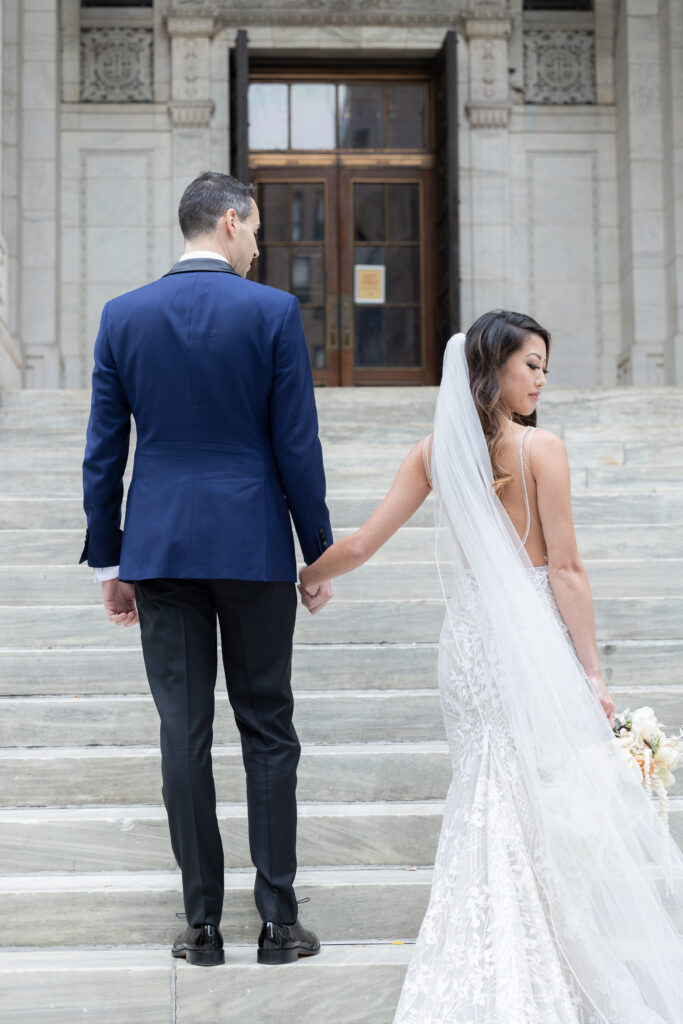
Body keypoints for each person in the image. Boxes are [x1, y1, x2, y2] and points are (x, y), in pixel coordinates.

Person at [299, 311, 683, 1022]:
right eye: (529, 363)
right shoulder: (543, 450)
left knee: (486, 789)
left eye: (543, 365)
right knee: (514, 796)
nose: (539, 377)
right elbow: (564, 569)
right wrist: (592, 676)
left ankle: (502, 944)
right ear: (493, 368)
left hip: (470, 641)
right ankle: (531, 952)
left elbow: (360, 545)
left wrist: (305, 575)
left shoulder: (434, 452)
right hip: (527, 638)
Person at [81, 171, 333, 967]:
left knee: (181, 735)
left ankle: (200, 927)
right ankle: (278, 923)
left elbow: (102, 454)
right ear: (228, 222)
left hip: (160, 549)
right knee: (267, 730)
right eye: (255, 228)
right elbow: (297, 443)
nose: (259, 244)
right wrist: (316, 551)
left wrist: (110, 558)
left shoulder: (123, 316)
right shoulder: (271, 312)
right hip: (253, 545)